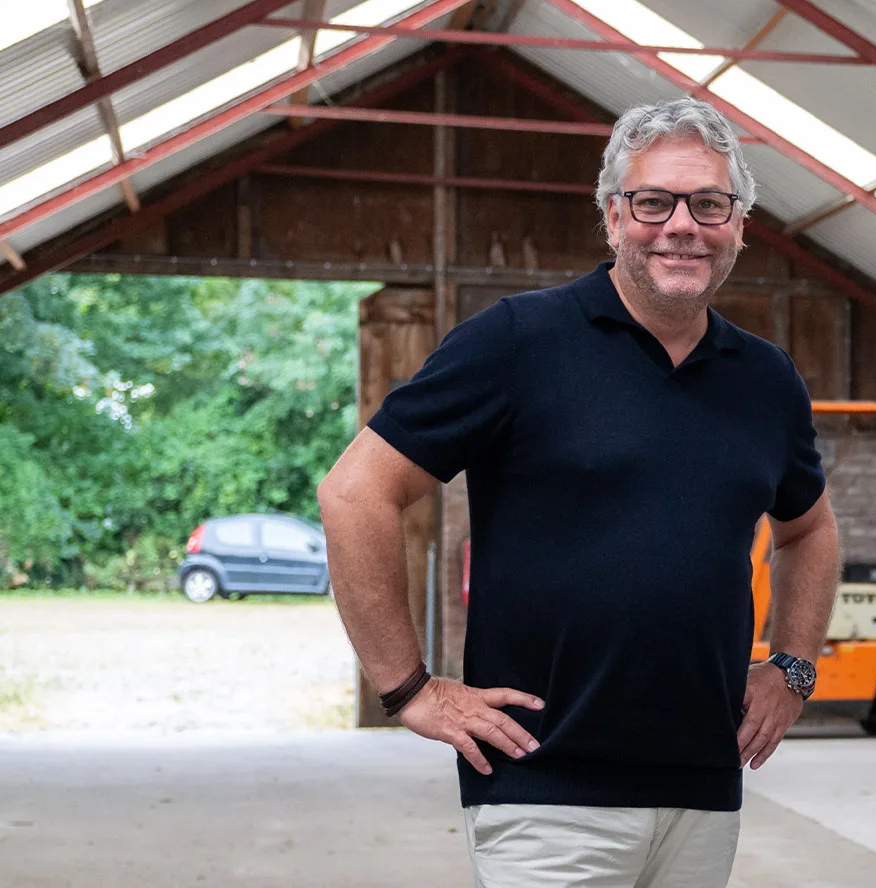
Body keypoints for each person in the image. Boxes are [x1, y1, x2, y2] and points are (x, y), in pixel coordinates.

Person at [316, 99, 838, 888]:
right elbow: (355, 494)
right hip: (546, 786)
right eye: (653, 202)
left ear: (740, 223)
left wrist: (793, 666)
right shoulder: (519, 341)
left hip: (703, 786)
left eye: (709, 204)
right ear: (612, 217)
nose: (682, 226)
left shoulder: (766, 379)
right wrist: (409, 689)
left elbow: (809, 531)